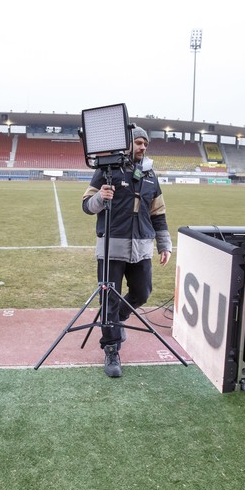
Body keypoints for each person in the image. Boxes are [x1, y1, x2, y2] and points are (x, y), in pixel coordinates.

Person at [82, 126, 172, 378]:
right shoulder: (105, 170)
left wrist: (164, 245)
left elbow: (159, 214)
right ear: (127, 144)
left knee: (142, 293)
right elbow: (86, 206)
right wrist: (100, 196)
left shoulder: (151, 175)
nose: (143, 147)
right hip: (112, 248)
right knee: (109, 300)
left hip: (142, 247)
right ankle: (111, 349)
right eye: (139, 143)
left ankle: (117, 319)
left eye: (146, 144)